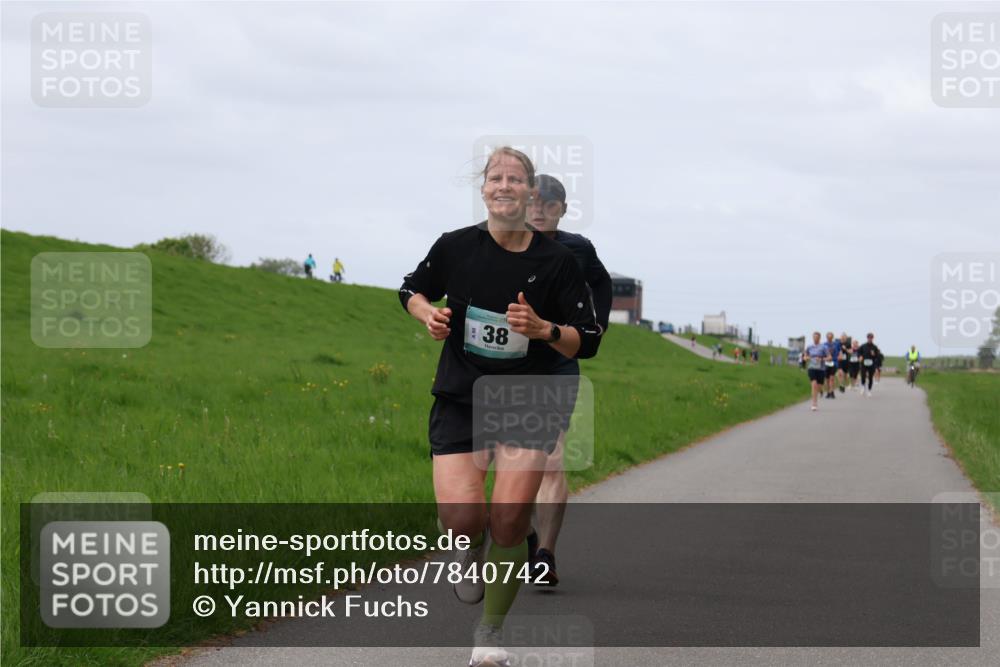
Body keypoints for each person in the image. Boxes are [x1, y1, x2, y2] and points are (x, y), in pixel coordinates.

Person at [398, 147, 601, 667]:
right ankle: (465, 548)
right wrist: (428, 315)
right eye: (496, 177)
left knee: (510, 521)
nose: (505, 185)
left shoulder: (557, 262)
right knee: (464, 517)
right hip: (462, 395)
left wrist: (544, 330)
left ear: (531, 193)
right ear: (484, 188)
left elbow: (588, 340)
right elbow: (411, 290)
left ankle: (489, 635)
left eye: (516, 179)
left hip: (528, 396)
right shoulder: (455, 246)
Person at [522, 174, 611, 588]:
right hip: (504, 365)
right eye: (533, 202)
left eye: (549, 204)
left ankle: (544, 555)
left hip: (556, 360)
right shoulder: (499, 244)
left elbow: (602, 282)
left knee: (553, 459)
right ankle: (522, 534)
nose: (539, 210)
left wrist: (598, 326)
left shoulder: (577, 248)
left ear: (562, 209)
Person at [804, 331, 831, 411]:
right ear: (812, 338)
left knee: (818, 387)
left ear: (819, 338)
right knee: (814, 385)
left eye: (817, 337)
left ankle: (821, 390)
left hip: (821, 369)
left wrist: (822, 359)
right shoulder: (809, 347)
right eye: (814, 337)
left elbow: (829, 357)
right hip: (811, 368)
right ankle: (814, 403)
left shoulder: (823, 347)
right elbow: (805, 356)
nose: (815, 338)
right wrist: (806, 358)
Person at [857, 332, 881, 397]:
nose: (870, 339)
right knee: (863, 375)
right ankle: (863, 386)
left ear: (873, 338)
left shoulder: (874, 347)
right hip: (864, 363)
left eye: (871, 338)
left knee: (870, 377)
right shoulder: (863, 346)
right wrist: (860, 356)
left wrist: (874, 355)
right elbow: (858, 352)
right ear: (867, 338)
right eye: (869, 338)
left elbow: (877, 356)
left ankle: (869, 390)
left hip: (871, 364)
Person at [823, 332, 841, 399]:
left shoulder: (836, 344)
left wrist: (839, 356)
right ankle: (828, 392)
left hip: (834, 362)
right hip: (826, 363)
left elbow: (840, 351)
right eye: (828, 337)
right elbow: (822, 353)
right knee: (827, 379)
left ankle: (832, 392)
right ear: (827, 337)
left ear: (832, 337)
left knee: (832, 378)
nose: (829, 338)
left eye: (830, 337)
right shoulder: (824, 345)